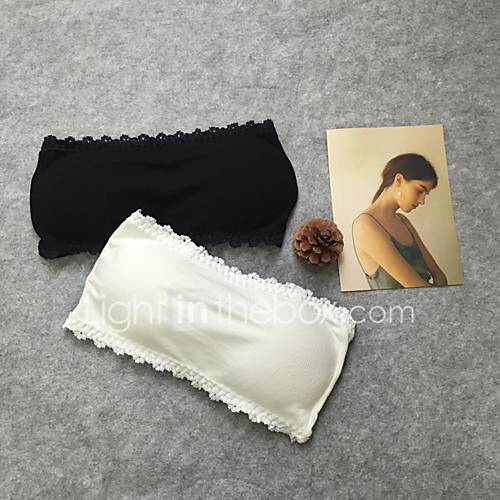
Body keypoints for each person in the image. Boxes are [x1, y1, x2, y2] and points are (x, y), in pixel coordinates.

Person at [352, 153, 448, 289]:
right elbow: (415, 286)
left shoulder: (403, 221)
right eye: (420, 190)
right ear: (398, 180)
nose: (422, 201)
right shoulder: (365, 225)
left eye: (426, 194)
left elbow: (439, 275)